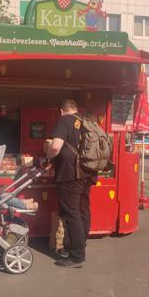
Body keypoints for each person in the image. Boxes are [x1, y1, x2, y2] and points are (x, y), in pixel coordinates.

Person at [44, 99, 96, 268]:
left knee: (71, 214)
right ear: (75, 109)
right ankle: (79, 245)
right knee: (82, 212)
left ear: (61, 111)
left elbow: (56, 147)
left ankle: (76, 256)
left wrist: (47, 157)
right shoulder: (85, 121)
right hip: (87, 173)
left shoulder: (64, 121)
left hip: (69, 174)